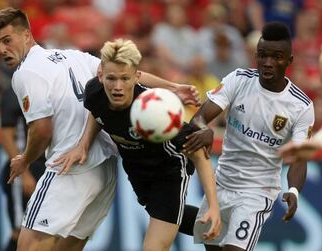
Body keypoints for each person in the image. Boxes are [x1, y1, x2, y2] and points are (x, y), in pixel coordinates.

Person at [0, 7, 201, 251]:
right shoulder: (73, 56)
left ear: (26, 35)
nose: (2, 50)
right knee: (69, 246)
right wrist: (172, 87)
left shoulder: (26, 73)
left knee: (28, 246)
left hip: (69, 166)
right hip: (104, 170)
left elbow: (42, 130)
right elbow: (124, 71)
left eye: (7, 40)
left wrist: (25, 160)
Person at [52, 38, 221, 251]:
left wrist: (213, 205)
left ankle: (216, 221)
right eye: (111, 78)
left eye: (125, 79)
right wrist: (83, 144)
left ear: (137, 77)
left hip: (169, 172)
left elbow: (198, 154)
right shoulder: (94, 91)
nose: (117, 87)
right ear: (100, 75)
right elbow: (97, 113)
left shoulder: (156, 109)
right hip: (137, 170)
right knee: (167, 214)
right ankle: (217, 234)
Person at [183, 21, 315, 251]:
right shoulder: (238, 79)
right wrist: (204, 129)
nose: (268, 63)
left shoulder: (300, 105)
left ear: (289, 60)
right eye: (262, 55)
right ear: (255, 55)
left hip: (257, 192)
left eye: (277, 57)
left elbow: (299, 156)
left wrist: (293, 190)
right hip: (220, 185)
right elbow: (200, 118)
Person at [0, 85, 45, 251]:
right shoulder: (14, 92)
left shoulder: (48, 89)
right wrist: (24, 174)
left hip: (46, 168)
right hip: (24, 169)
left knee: (43, 234)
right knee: (20, 231)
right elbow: (6, 136)